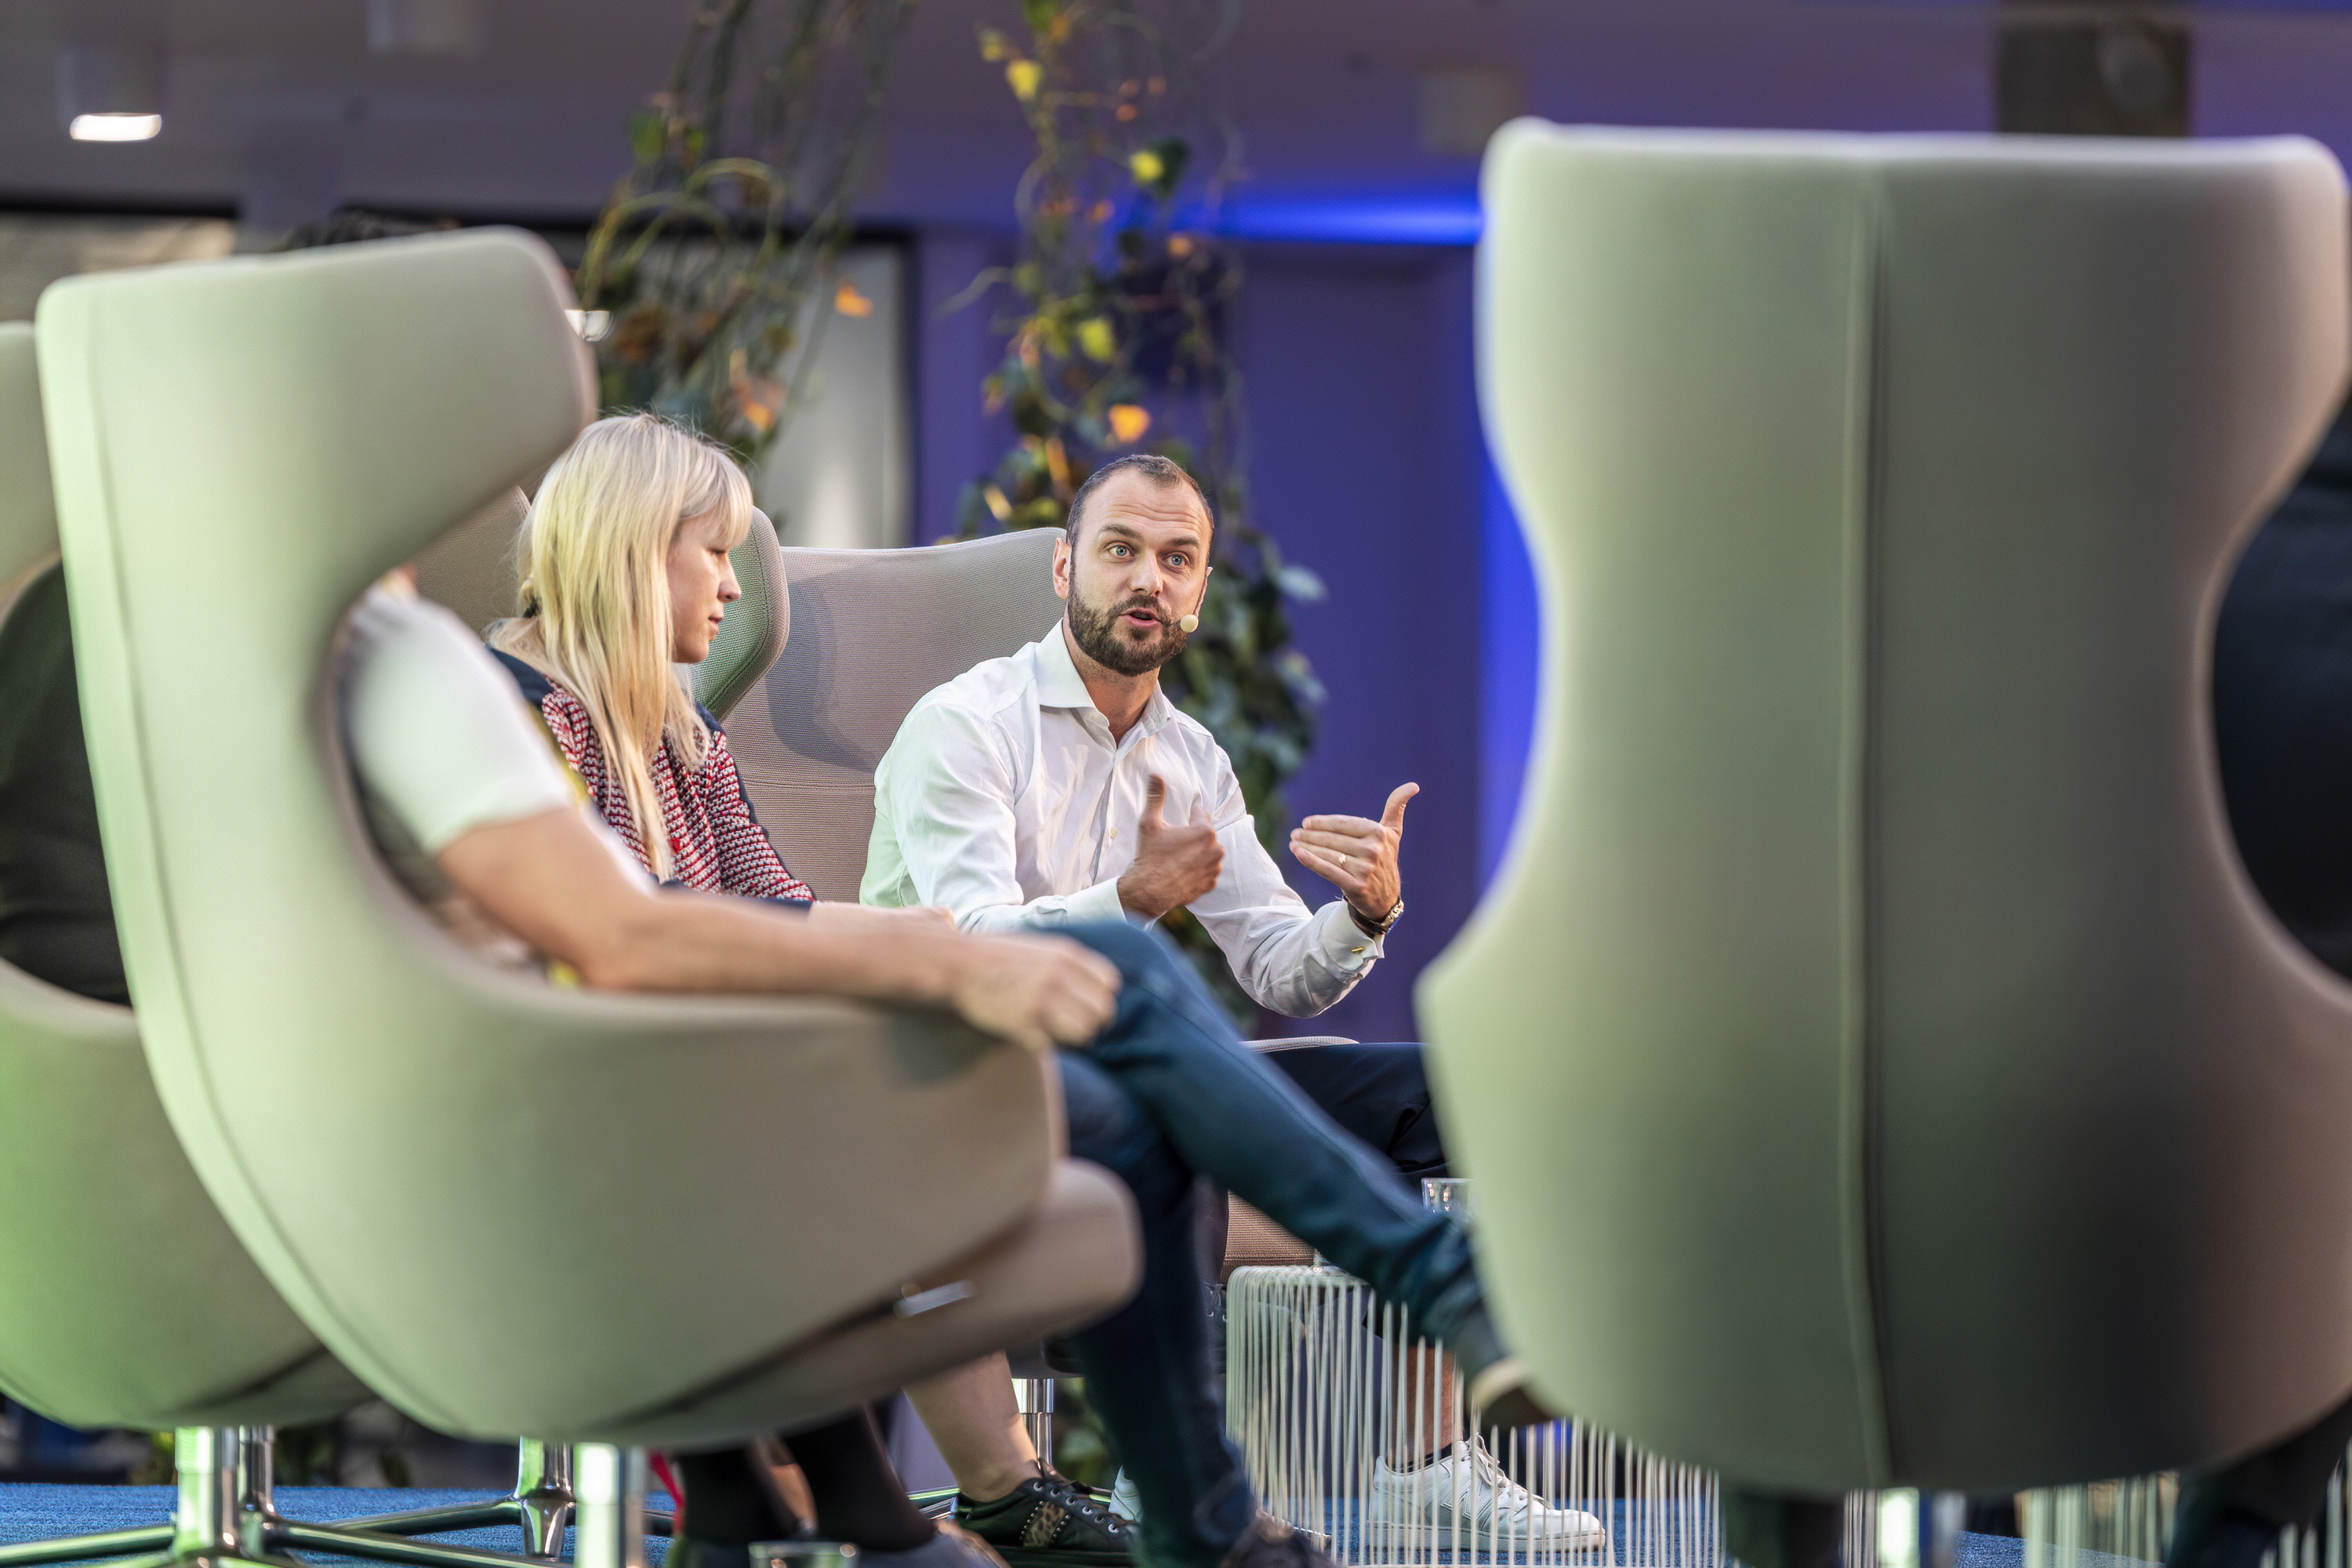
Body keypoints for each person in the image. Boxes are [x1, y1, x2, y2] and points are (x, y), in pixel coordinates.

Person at [390, 416, 1551, 1568]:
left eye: (1179, 559)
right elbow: (635, 931)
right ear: (634, 548)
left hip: (815, 1056)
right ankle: (1319, 1390)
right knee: (1132, 982)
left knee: (1262, 1067)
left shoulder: (681, 732)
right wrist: (942, 946)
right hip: (703, 1092)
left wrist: (1363, 917)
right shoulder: (526, 715)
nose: (735, 595)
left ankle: (1258, 1494)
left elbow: (775, 897)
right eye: (713, 555)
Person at [862, 453, 1575, 1548]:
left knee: (1447, 1091)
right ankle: (1171, 1482)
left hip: (1134, 1054)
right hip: (974, 1066)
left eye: (1177, 559)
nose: (1148, 578)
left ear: (1198, 595)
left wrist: (1367, 915)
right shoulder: (964, 724)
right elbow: (971, 950)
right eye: (1120, 550)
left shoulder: (1191, 757)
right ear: (1064, 568)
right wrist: (1128, 896)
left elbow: (1280, 968)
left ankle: (1427, 1463)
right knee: (1169, 1108)